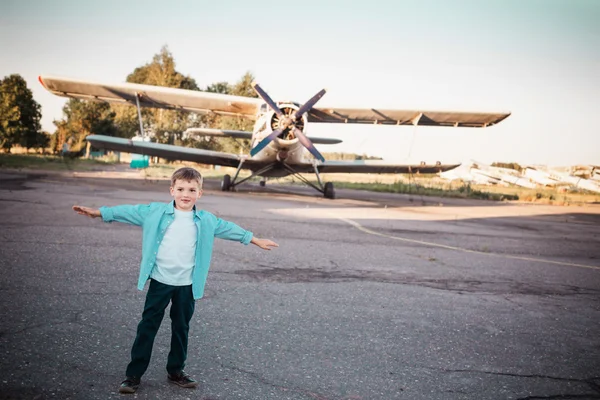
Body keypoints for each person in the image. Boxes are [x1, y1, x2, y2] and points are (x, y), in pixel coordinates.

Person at [72, 167, 278, 394]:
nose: (185, 194)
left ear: (200, 193)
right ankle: (133, 375)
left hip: (187, 285)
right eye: (180, 189)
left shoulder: (206, 220)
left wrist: (255, 240)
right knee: (147, 328)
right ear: (172, 190)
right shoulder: (155, 212)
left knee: (181, 328)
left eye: (191, 189)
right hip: (160, 282)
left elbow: (230, 229)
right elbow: (128, 211)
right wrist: (98, 213)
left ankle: (176, 371)